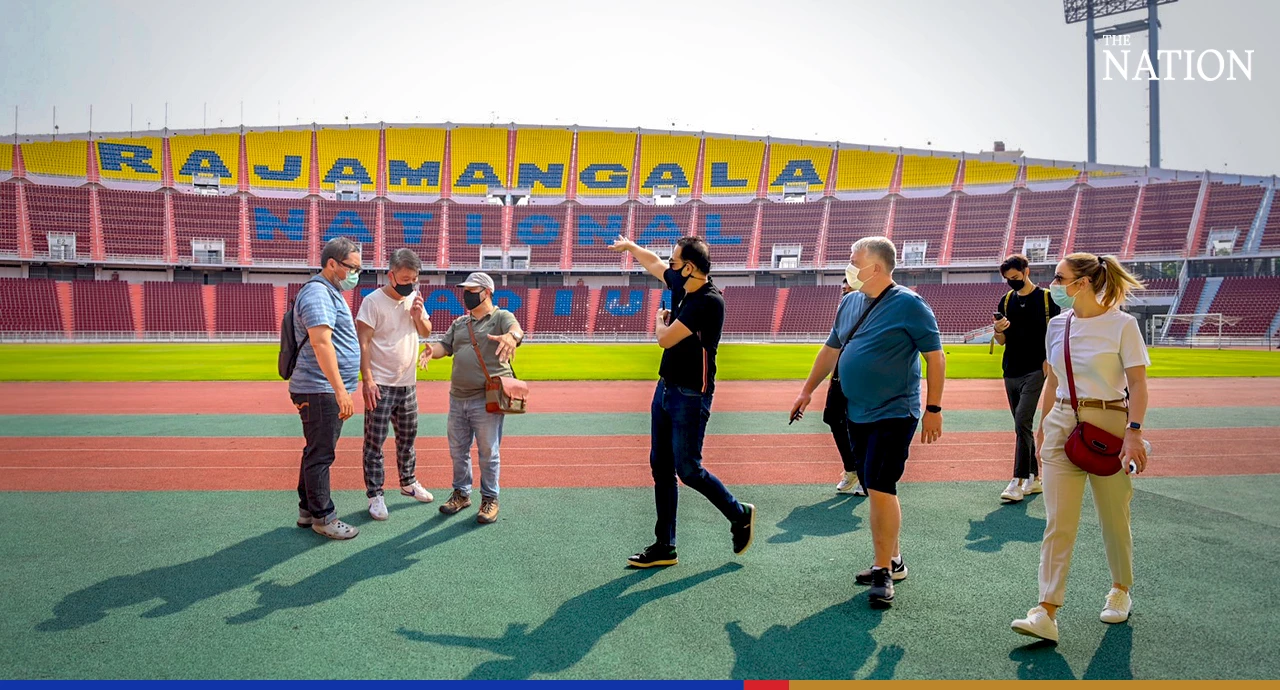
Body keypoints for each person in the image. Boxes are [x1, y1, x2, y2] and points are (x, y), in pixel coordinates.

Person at [790, 236, 945, 609]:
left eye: (853, 260)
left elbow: (935, 357)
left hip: (895, 411)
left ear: (875, 267)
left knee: (879, 484)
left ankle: (882, 571)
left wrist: (934, 408)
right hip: (856, 411)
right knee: (875, 486)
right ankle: (895, 560)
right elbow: (831, 349)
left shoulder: (910, 305)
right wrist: (807, 390)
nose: (849, 266)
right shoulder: (849, 302)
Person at [1011, 252, 1150, 644]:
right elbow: (1053, 380)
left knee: (1113, 514)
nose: (1053, 285)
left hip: (1109, 422)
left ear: (1083, 282)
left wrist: (1134, 433)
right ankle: (1046, 610)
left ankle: (1120, 590)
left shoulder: (1122, 325)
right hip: (1061, 421)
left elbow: (1138, 384)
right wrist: (1043, 427)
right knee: (1058, 521)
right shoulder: (1057, 325)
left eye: (1059, 278)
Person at [609, 234, 755, 568]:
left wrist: (659, 321)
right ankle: (665, 545)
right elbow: (653, 263)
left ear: (689, 267)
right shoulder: (682, 283)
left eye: (675, 262)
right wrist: (631, 248)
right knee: (660, 466)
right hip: (665, 388)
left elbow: (665, 339)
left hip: (691, 395)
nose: (669, 266)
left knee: (688, 469)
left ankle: (739, 513)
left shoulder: (708, 302)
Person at [420, 272, 523, 524]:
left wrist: (512, 337)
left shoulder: (501, 317)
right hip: (457, 397)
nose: (466, 295)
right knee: (458, 451)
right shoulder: (460, 323)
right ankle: (461, 493)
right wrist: (432, 351)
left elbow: (516, 330)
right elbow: (446, 347)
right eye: (465, 290)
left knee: (488, 452)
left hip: (486, 398)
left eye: (472, 290)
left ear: (487, 292)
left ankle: (490, 498)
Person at [290, 237, 363, 540]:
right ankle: (324, 517)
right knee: (321, 454)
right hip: (320, 388)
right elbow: (321, 343)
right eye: (352, 268)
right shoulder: (319, 293)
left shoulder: (329, 292)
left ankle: (308, 510)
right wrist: (340, 390)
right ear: (332, 263)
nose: (356, 274)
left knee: (315, 450)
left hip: (321, 388)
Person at [356, 248, 435, 521]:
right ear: (391, 275)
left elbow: (426, 331)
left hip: (407, 383)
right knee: (374, 443)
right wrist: (367, 380)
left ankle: (408, 482)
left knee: (408, 438)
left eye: (414, 279)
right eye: (404, 279)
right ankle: (375, 494)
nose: (410, 284)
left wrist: (418, 315)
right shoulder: (372, 302)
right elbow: (363, 343)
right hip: (380, 383)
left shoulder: (414, 298)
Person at [993, 254, 1060, 503]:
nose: (1012, 282)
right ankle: (1035, 478)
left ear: (1026, 271)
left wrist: (1049, 360)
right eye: (1008, 279)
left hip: (1035, 369)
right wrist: (998, 330)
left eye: (1015, 277)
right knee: (1022, 426)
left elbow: (1055, 334)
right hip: (1010, 369)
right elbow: (1001, 341)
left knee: (1022, 420)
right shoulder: (1006, 300)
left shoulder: (1047, 299)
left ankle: (1018, 481)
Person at [827, 278, 866, 496]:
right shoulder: (844, 308)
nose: (844, 287)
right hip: (841, 373)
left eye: (849, 283)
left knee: (862, 422)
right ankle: (851, 469)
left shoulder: (874, 308)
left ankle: (865, 475)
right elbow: (834, 345)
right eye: (843, 284)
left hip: (865, 375)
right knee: (833, 417)